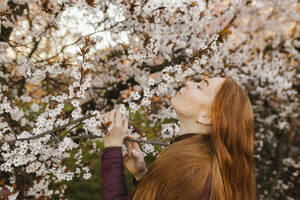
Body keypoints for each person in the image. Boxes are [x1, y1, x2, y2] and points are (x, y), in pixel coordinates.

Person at [100, 76, 256, 200]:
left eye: (200, 87)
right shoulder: (199, 161)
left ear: (206, 116)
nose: (189, 83)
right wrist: (142, 176)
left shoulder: (190, 167)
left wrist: (112, 147)